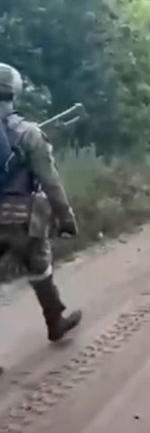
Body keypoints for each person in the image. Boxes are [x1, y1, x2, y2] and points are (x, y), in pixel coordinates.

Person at [0, 63, 82, 366]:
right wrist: (66, 217)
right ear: (14, 91)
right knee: (39, 266)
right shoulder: (29, 133)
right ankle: (55, 322)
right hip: (20, 219)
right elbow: (50, 181)